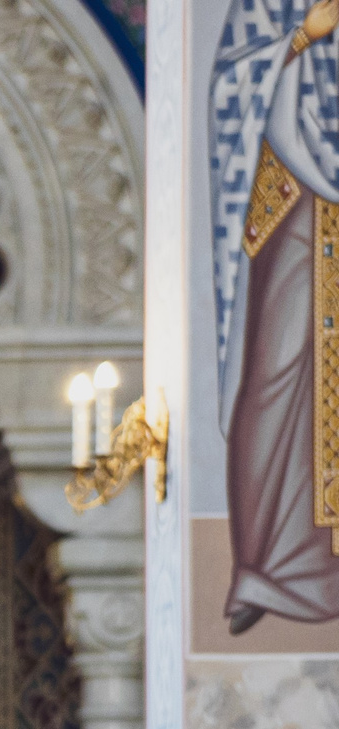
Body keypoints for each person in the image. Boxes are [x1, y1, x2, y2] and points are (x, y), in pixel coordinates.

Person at [210, 0, 339, 634]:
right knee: (276, 375)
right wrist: (298, 40)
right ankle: (264, 566)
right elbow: (231, 83)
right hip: (299, 203)